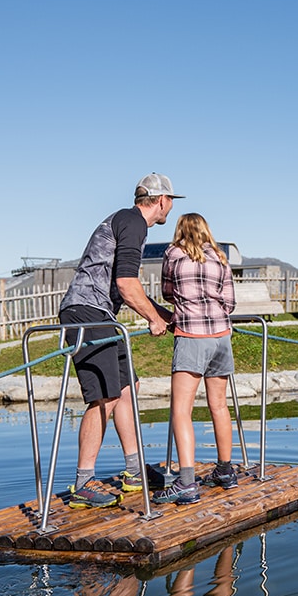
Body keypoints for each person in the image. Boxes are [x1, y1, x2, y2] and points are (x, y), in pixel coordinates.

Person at [59, 173, 181, 509]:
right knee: (104, 398)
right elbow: (127, 284)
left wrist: (163, 314)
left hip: (103, 315)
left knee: (129, 388)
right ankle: (82, 484)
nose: (170, 207)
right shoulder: (133, 222)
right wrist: (154, 318)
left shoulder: (128, 222)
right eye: (171, 200)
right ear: (161, 201)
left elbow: (128, 288)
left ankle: (133, 472)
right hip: (86, 313)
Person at [153, 212, 239, 505]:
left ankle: (187, 483)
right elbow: (230, 302)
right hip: (221, 337)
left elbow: (167, 292)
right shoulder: (220, 257)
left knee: (181, 410)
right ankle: (225, 471)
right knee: (218, 405)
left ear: (180, 230)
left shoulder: (174, 254)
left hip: (191, 336)